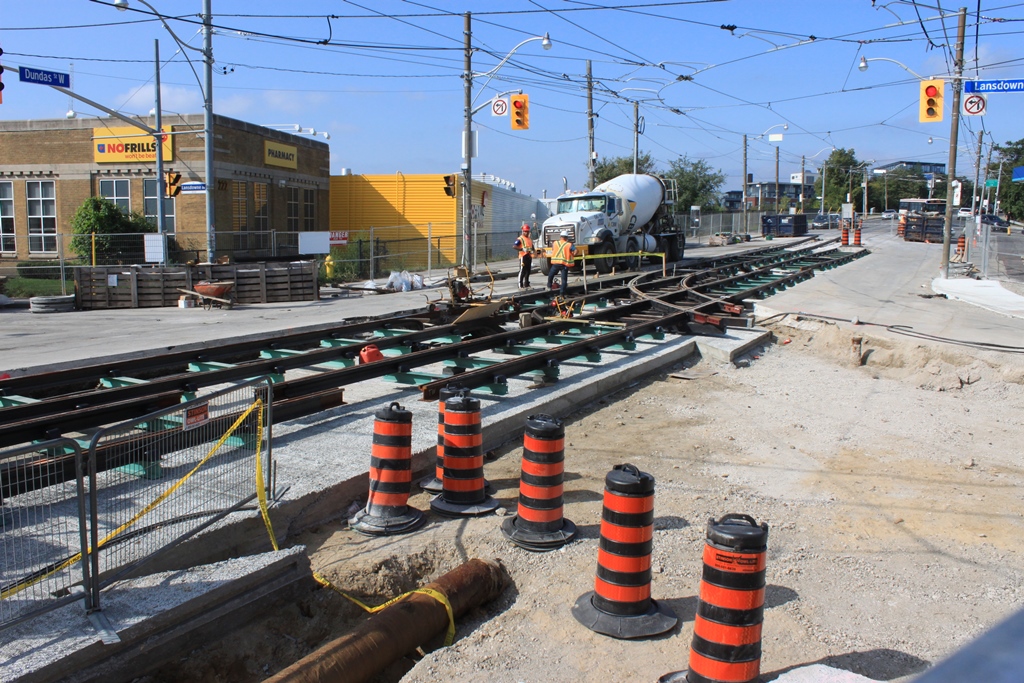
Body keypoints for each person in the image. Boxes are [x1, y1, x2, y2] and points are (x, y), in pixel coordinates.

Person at [546, 230, 576, 297]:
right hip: (564, 264)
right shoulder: (569, 244)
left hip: (556, 263)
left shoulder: (555, 243)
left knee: (551, 275)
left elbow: (553, 249)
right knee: (564, 280)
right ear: (566, 238)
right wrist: (572, 255)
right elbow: (575, 251)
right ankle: (562, 293)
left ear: (560, 237)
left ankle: (549, 286)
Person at [513, 223, 535, 289]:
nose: (526, 233)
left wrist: (533, 251)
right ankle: (520, 285)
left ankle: (526, 284)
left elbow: (532, 247)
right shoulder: (520, 239)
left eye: (527, 231)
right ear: (523, 231)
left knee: (528, 271)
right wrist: (522, 249)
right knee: (522, 270)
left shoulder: (529, 239)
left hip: (529, 256)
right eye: (525, 231)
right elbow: (514, 246)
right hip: (523, 256)